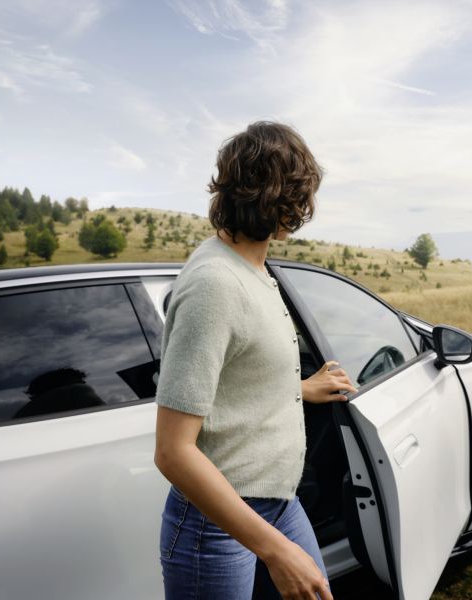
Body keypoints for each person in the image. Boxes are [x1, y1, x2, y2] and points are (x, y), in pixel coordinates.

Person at [154, 121, 358, 600]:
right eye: (300, 196)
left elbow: (235, 376)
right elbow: (173, 450)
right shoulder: (214, 285)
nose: (304, 211)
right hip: (214, 528)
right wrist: (276, 551)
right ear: (284, 200)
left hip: (277, 502)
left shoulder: (253, 268)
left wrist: (301, 388)